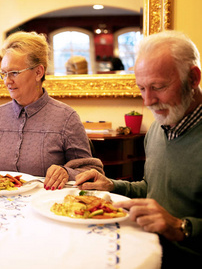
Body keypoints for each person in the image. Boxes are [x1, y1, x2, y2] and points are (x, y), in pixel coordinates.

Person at [75, 31, 202, 266]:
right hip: (146, 248)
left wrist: (182, 227)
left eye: (158, 87)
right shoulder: (157, 129)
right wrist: (112, 185)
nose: (148, 101)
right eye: (142, 88)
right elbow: (151, 189)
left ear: (193, 78)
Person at [0, 31, 103, 190]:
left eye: (14, 73)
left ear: (38, 72)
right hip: (0, 207)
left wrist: (66, 172)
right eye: (4, 74)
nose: (7, 81)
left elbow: (91, 171)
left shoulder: (66, 118)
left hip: (44, 206)